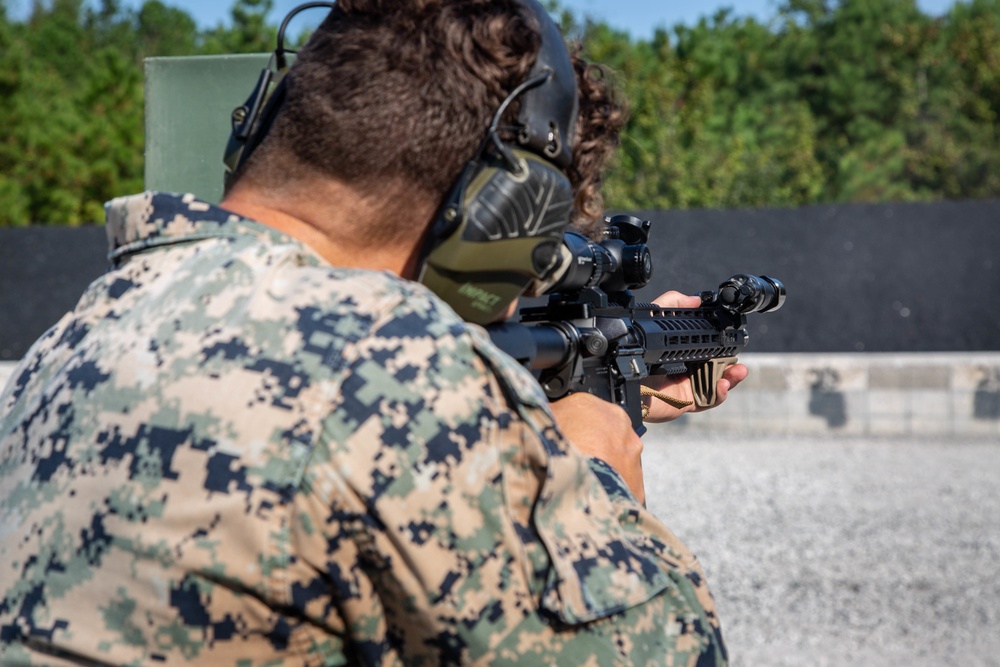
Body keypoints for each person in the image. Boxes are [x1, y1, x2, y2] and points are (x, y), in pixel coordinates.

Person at [0, 1, 747, 664]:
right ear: (498, 213)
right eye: (534, 254)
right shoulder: (393, 379)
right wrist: (595, 467)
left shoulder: (79, 333)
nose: (520, 301)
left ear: (263, 123)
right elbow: (668, 650)